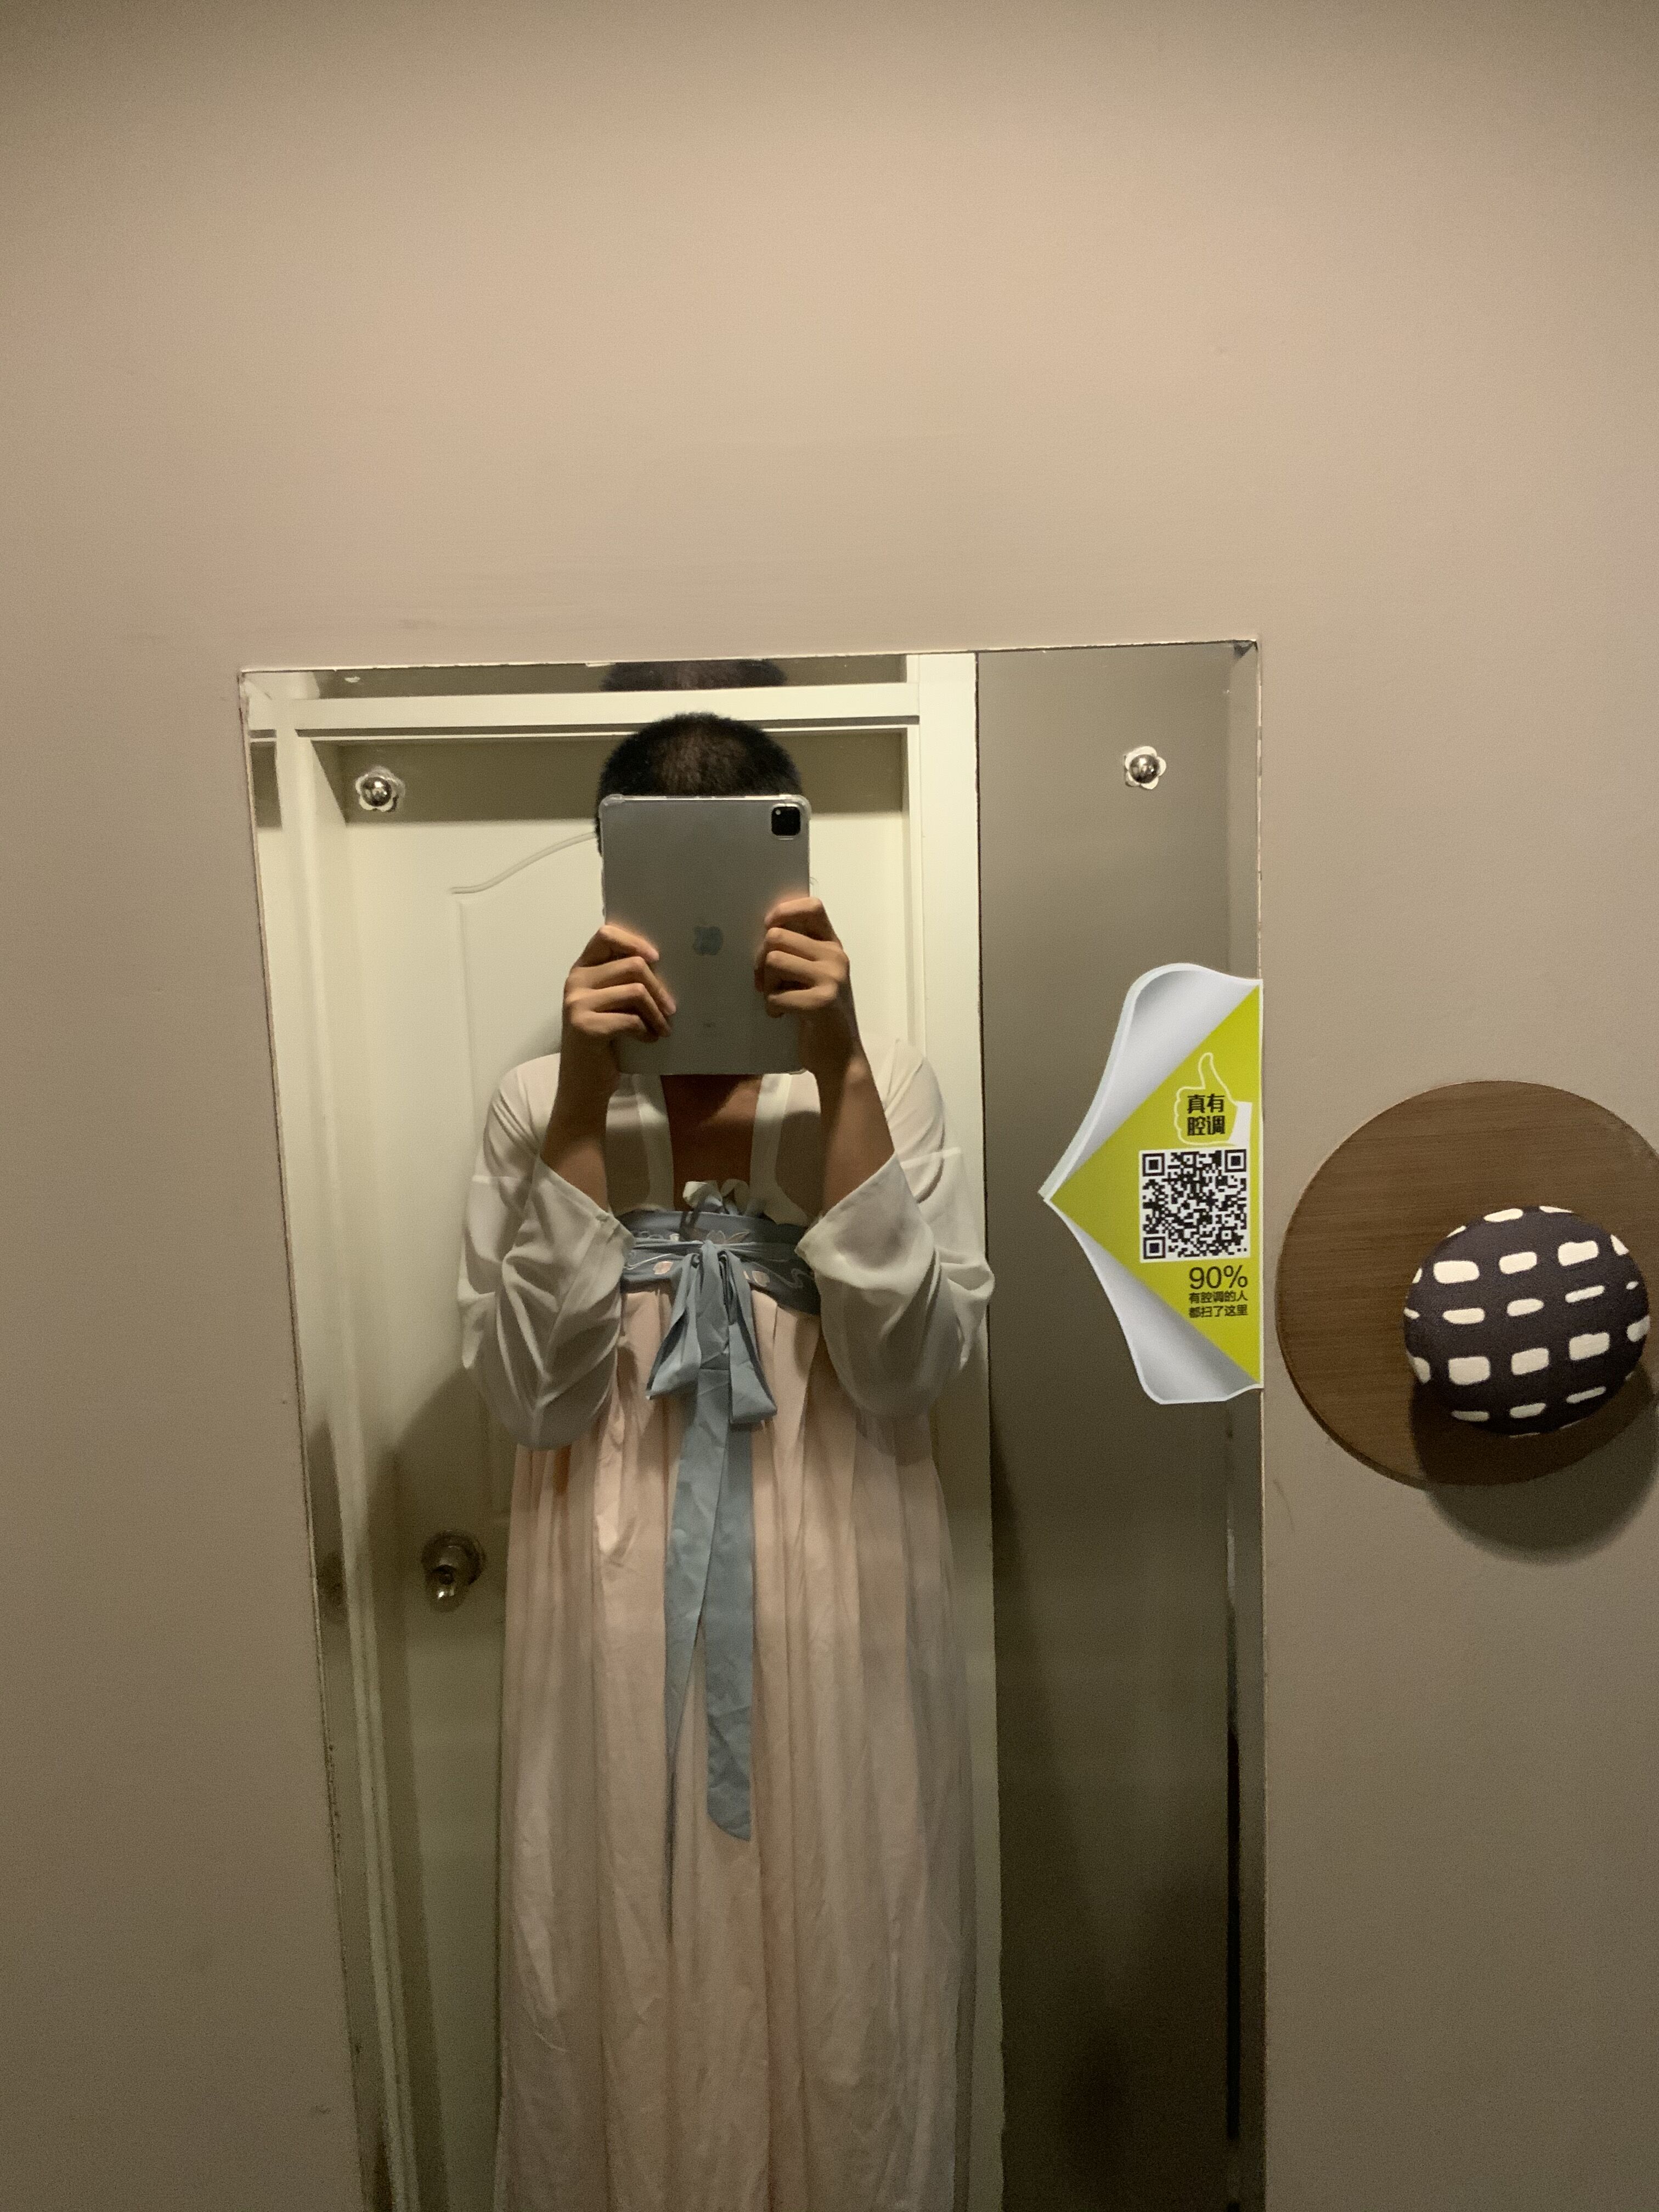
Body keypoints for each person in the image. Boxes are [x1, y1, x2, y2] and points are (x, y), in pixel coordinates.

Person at [458, 712, 993, 2212]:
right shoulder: (537, 1102)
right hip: (612, 1589)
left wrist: (844, 1070)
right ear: (609, 878)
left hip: (839, 1571)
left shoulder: (886, 1081)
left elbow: (912, 1368)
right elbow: (532, 1400)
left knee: (850, 1939)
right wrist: (582, 1098)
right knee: (624, 1938)